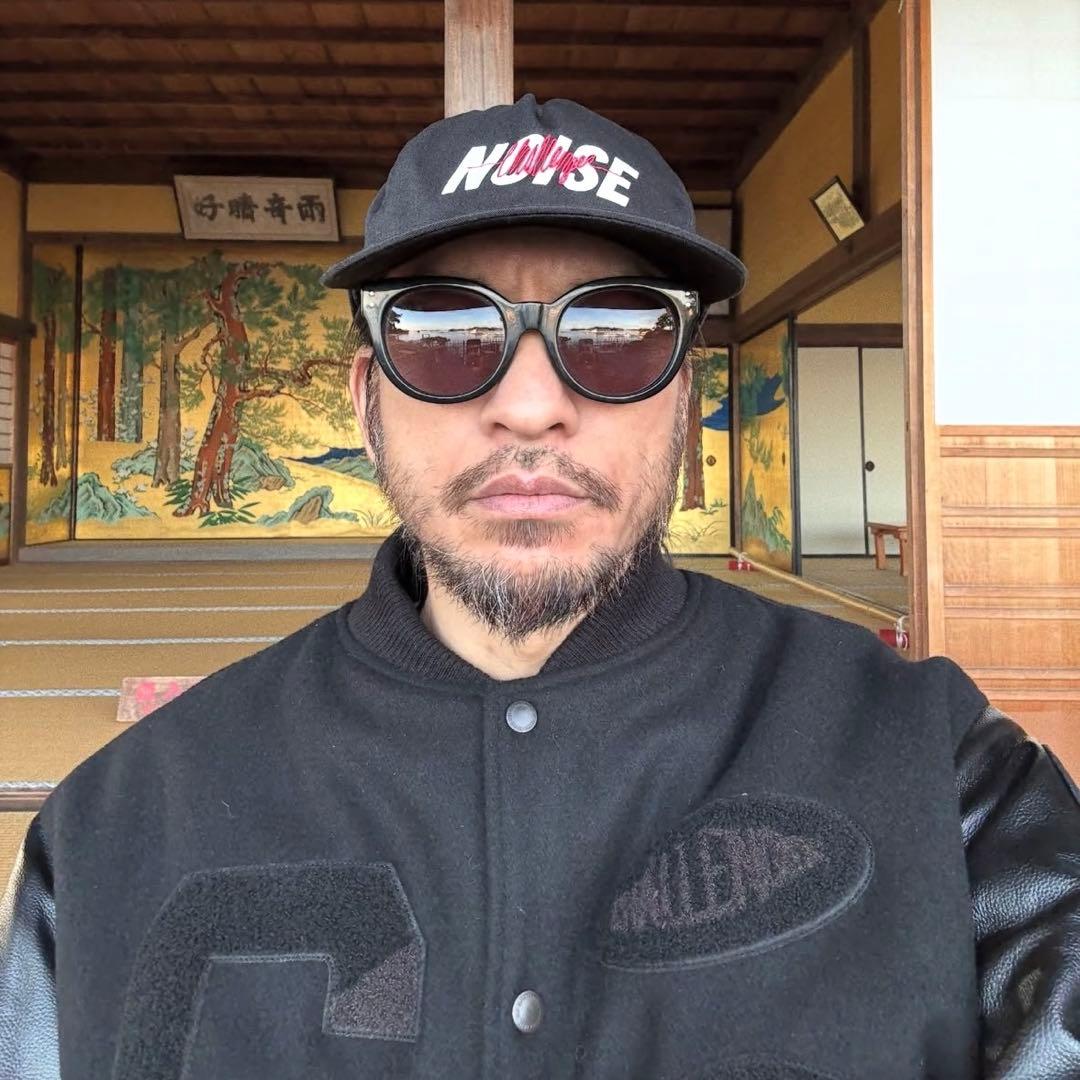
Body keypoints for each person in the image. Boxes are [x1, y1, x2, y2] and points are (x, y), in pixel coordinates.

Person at [2, 93, 1079, 1080]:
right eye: (445, 334)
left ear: (683, 397)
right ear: (367, 400)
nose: (529, 406)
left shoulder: (941, 770)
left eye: (615, 336)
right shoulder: (111, 829)